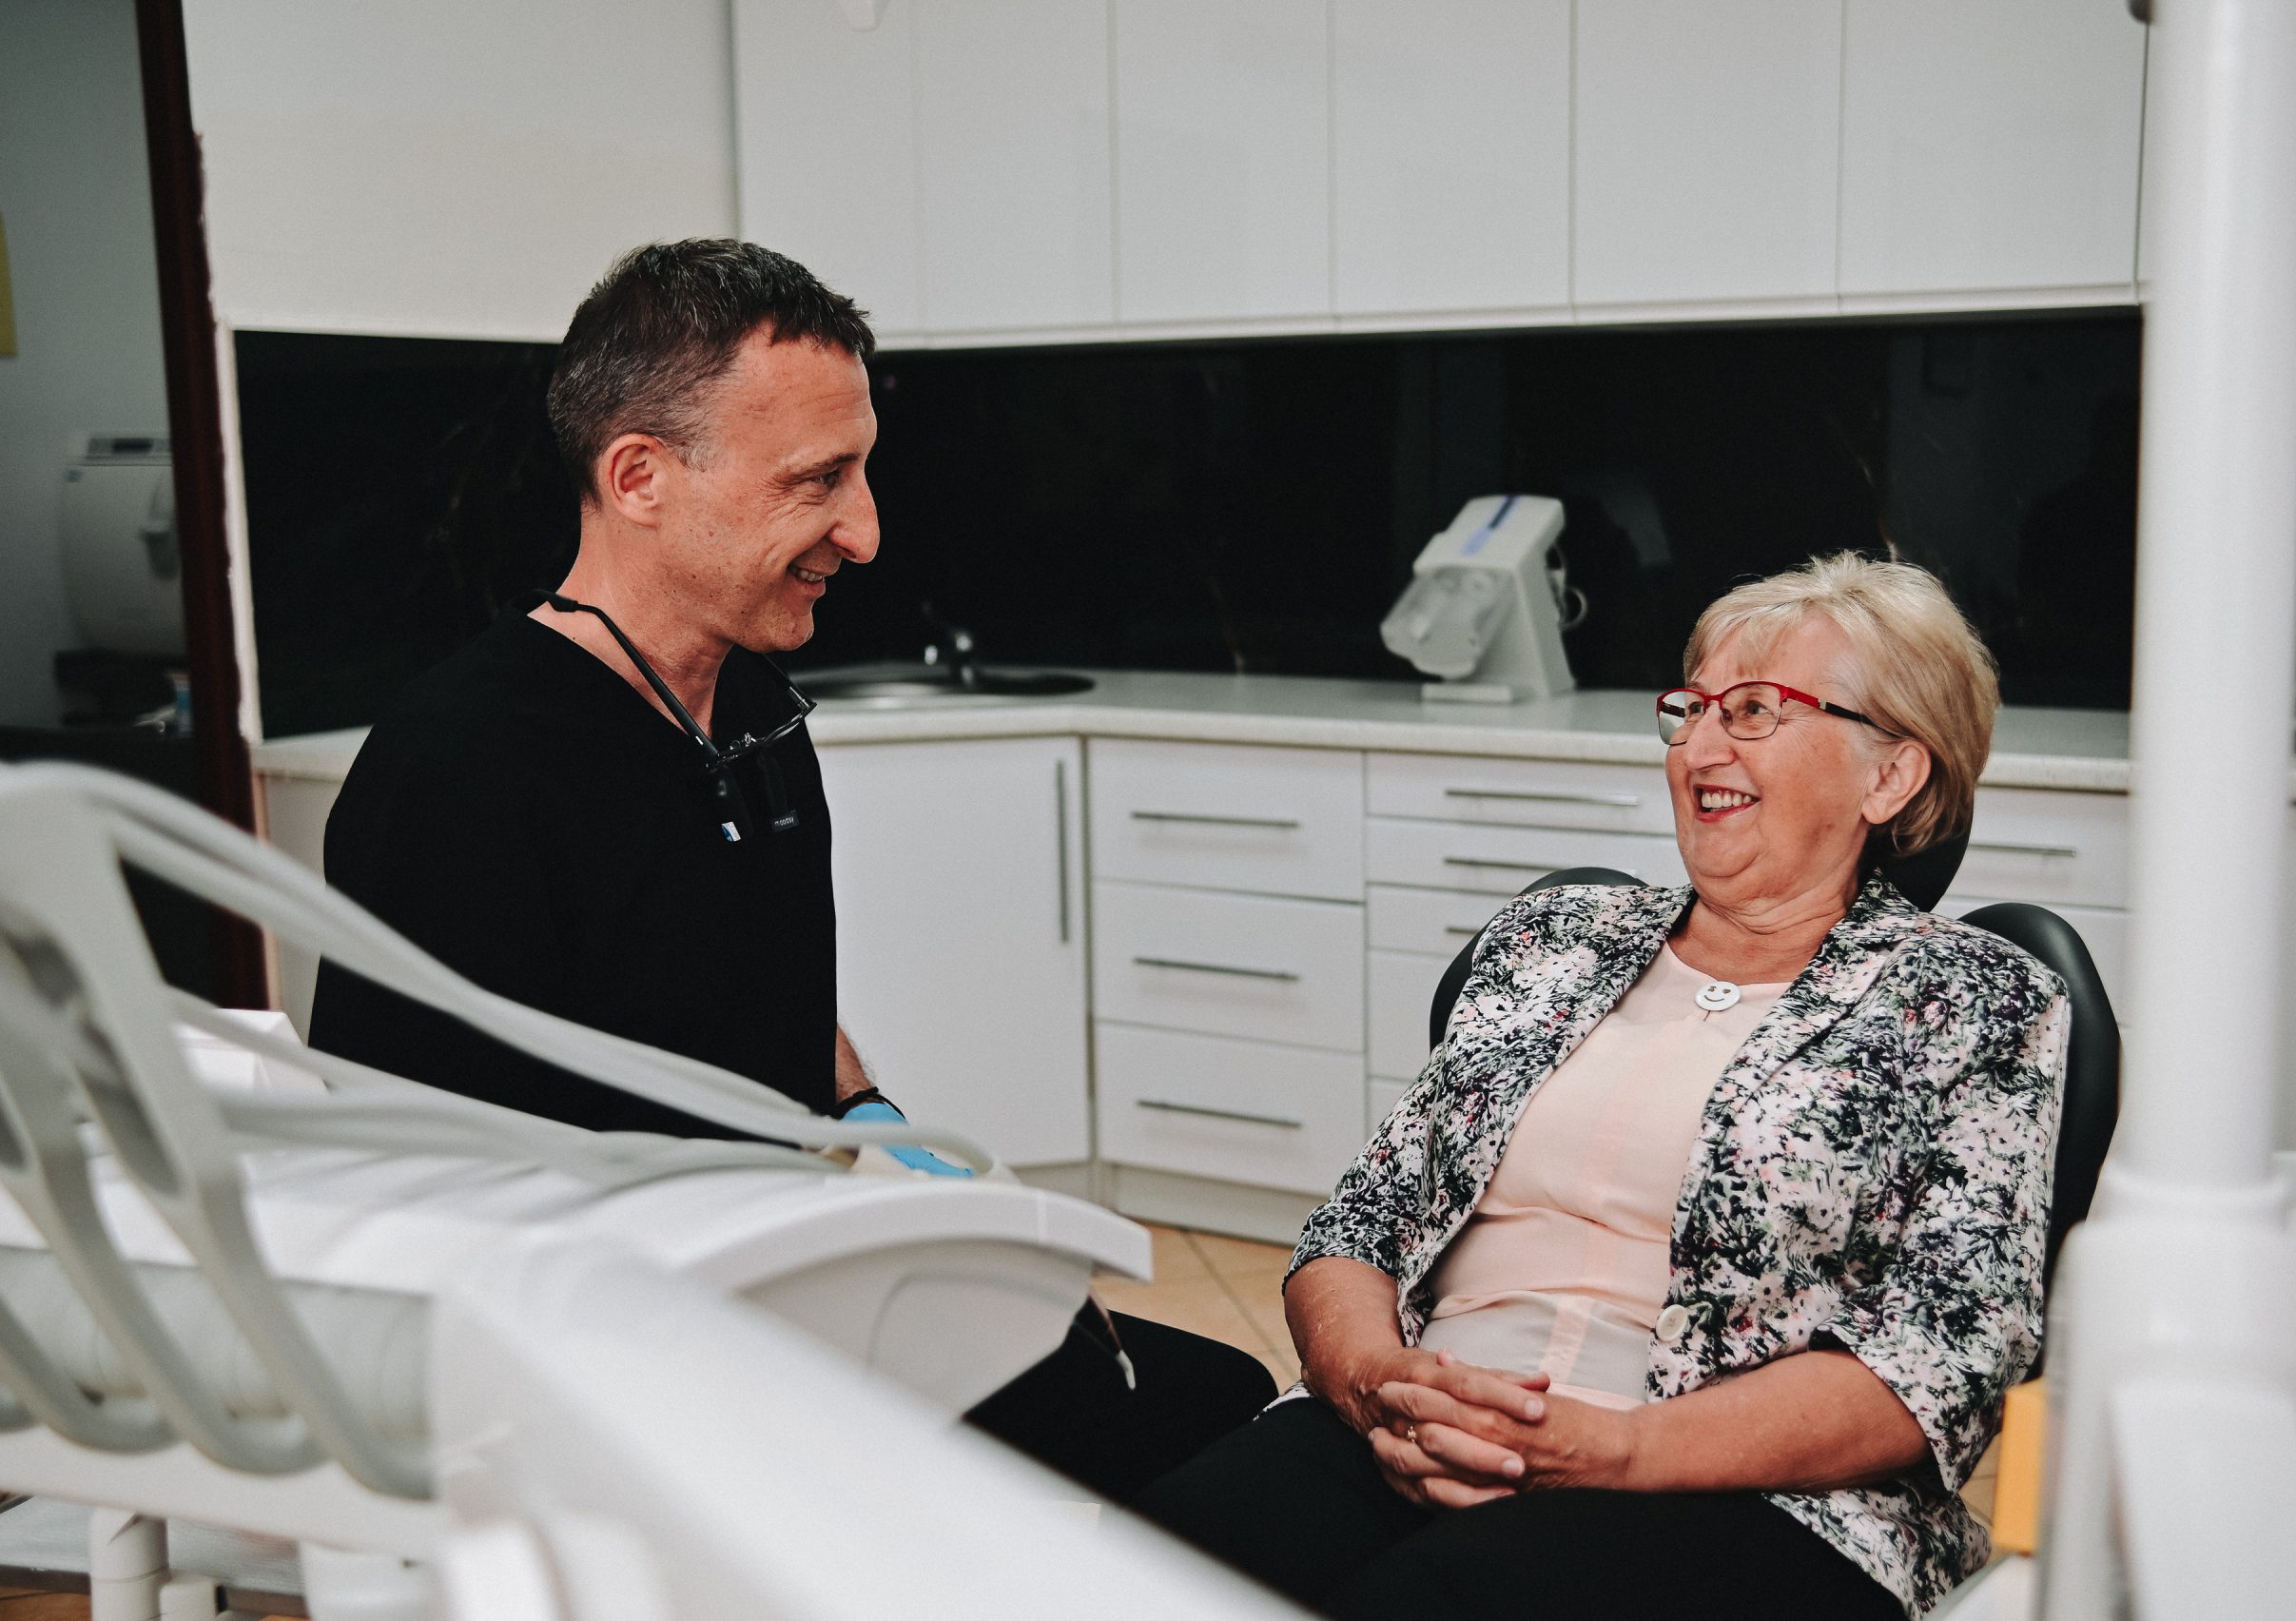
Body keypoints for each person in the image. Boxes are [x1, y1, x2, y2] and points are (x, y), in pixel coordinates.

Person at [310, 239, 1274, 1501]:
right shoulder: (462, 767)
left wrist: (875, 1125)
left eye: (861, 472)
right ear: (640, 478)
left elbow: (749, 983)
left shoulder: (755, 709)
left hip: (794, 1286)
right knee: (1169, 1459)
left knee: (1222, 1400)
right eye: (817, 481)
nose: (863, 533)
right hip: (621, 1363)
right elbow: (412, 1183)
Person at [1139, 554, 2069, 1621]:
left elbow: (1944, 1355)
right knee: (1158, 1563)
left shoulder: (1974, 1001)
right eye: (1692, 709)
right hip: (1420, 1417)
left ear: (1891, 775)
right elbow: (1358, 1225)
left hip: (1739, 1488)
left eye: (1754, 711)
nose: (1699, 748)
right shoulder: (1552, 938)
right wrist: (1375, 1386)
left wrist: (1618, 1447)